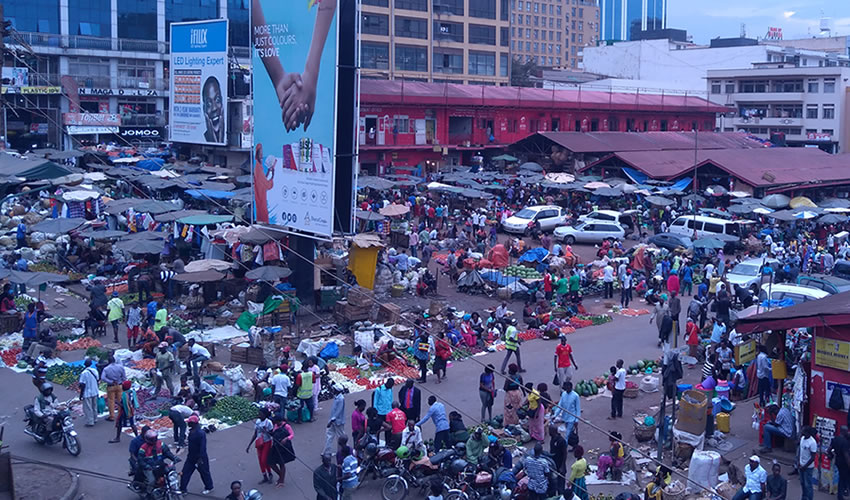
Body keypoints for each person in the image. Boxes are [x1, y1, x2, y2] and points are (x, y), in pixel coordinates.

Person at [179, 415, 214, 494]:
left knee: (204, 473)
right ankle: (183, 489)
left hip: (200, 458)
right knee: (185, 473)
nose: (188, 424)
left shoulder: (200, 433)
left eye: (189, 423)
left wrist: (200, 458)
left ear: (194, 423)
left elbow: (203, 447)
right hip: (191, 457)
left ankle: (209, 487)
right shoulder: (191, 431)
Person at [247, 406, 275, 484]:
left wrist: (266, 431)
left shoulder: (268, 422)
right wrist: (249, 445)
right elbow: (255, 434)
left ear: (265, 414)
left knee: (264, 459)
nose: (259, 415)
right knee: (260, 460)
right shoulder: (258, 422)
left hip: (267, 442)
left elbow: (272, 433)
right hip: (259, 442)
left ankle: (270, 473)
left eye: (261, 413)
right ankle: (264, 476)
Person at [267, 414, 296, 487]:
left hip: (284, 448)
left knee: (281, 463)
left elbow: (292, 435)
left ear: (279, 421)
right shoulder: (276, 426)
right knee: (270, 462)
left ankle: (281, 480)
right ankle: (281, 475)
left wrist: (286, 439)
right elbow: (273, 434)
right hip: (276, 446)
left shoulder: (287, 426)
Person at [323, 384, 346, 456]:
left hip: (337, 421)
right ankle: (326, 452)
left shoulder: (341, 399)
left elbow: (338, 411)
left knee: (340, 437)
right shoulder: (337, 397)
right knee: (330, 436)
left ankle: (341, 451)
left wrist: (332, 420)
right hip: (334, 421)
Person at [103, 355, 126, 421]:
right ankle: (120, 414)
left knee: (111, 401)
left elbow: (103, 378)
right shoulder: (120, 367)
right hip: (119, 385)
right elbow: (124, 377)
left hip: (111, 386)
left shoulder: (106, 369)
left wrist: (110, 381)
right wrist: (120, 380)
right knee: (120, 400)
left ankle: (112, 416)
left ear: (108, 361)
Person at [829, 425, 850, 500]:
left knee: (840, 478)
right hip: (844, 463)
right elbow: (846, 455)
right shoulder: (845, 442)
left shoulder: (835, 439)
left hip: (837, 461)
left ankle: (842, 494)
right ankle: (841, 495)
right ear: (844, 431)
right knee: (843, 479)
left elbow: (829, 449)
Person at [78, 358, 100, 427]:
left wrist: (81, 394)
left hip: (87, 393)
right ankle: (95, 418)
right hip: (95, 391)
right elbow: (98, 380)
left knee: (88, 407)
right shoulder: (95, 371)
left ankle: (90, 421)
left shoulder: (84, 373)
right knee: (94, 406)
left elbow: (82, 385)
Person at [799, 426, 817, 500]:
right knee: (802, 483)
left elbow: (813, 457)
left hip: (808, 468)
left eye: (804, 431)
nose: (802, 432)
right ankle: (804, 498)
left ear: (808, 433)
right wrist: (798, 462)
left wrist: (805, 466)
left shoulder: (812, 442)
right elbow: (801, 451)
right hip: (801, 465)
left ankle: (809, 498)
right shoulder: (802, 439)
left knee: (808, 485)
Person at [549, 424, 568, 496]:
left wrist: (562, 466)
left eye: (549, 431)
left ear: (553, 431)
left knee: (560, 486)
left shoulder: (561, 441)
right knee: (553, 484)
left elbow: (565, 453)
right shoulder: (552, 438)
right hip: (554, 465)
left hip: (560, 465)